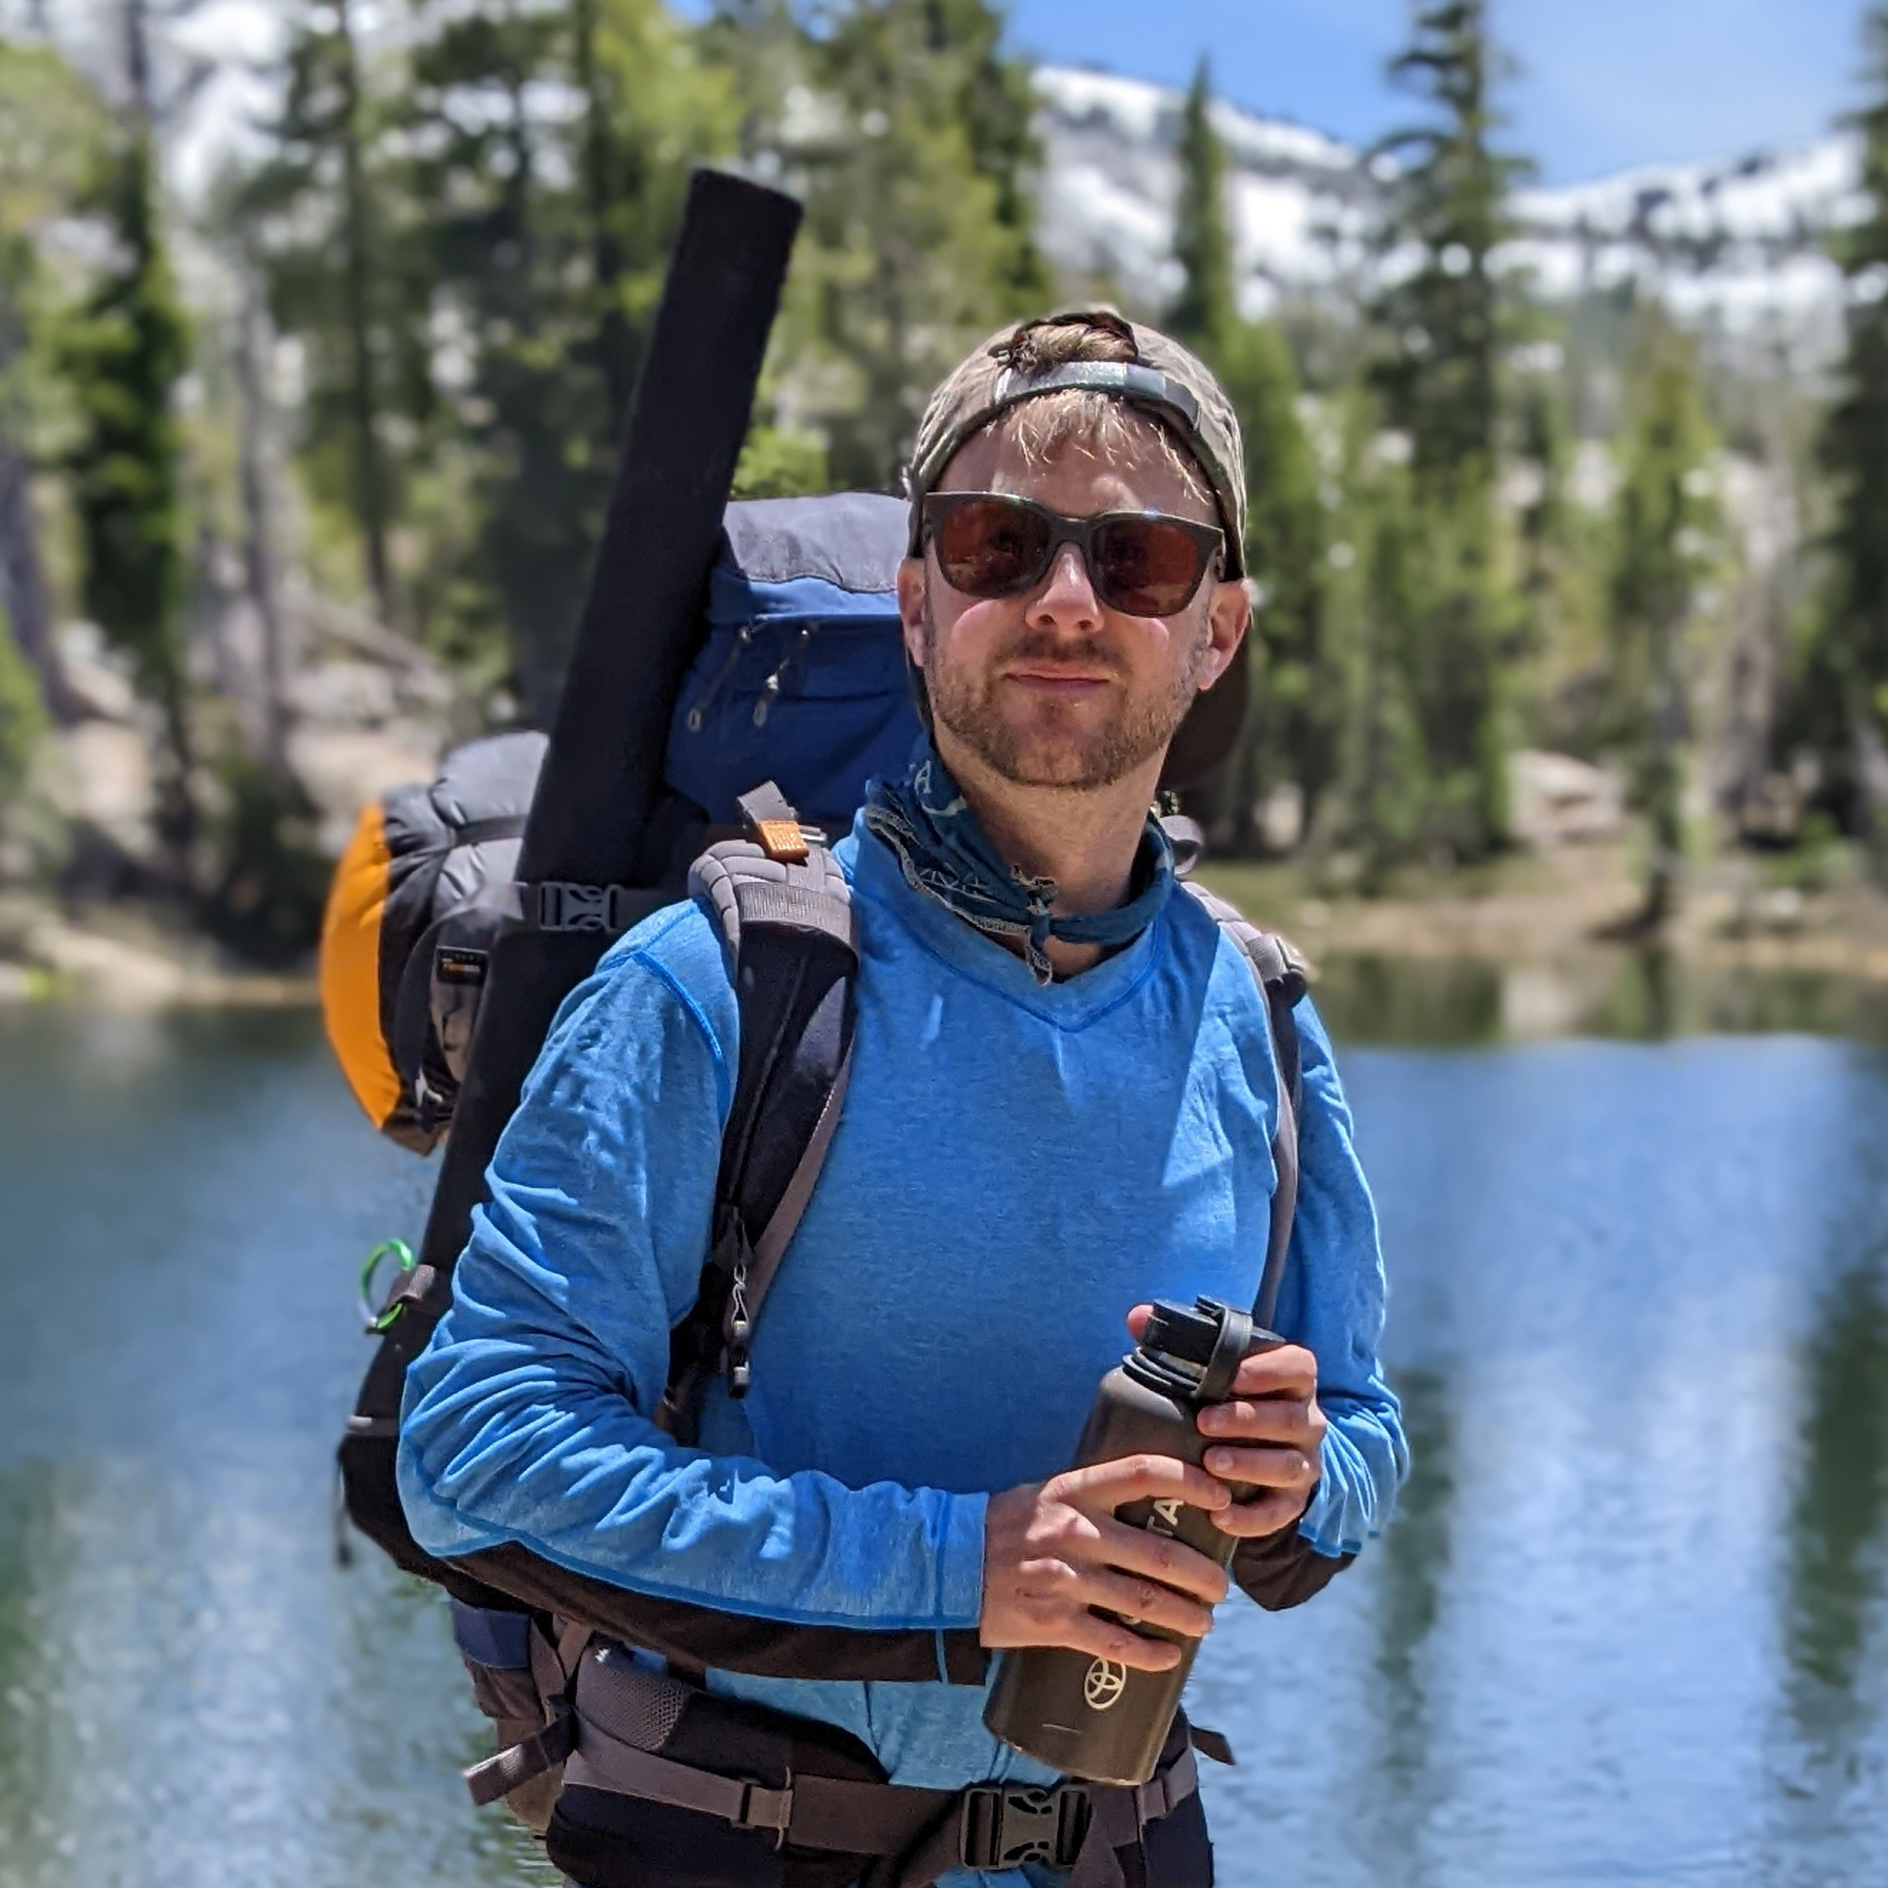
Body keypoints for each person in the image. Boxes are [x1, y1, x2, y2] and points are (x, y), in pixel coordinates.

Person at [397, 309, 1408, 1887]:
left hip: (1126, 1849)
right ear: (920, 601)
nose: (1064, 602)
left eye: (1135, 563)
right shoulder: (718, 982)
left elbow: (1361, 1431)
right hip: (744, 1848)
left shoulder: (1261, 1015)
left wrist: (1297, 1482)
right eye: (1001, 544)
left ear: (1214, 632)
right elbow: (469, 1451)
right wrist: (965, 1569)